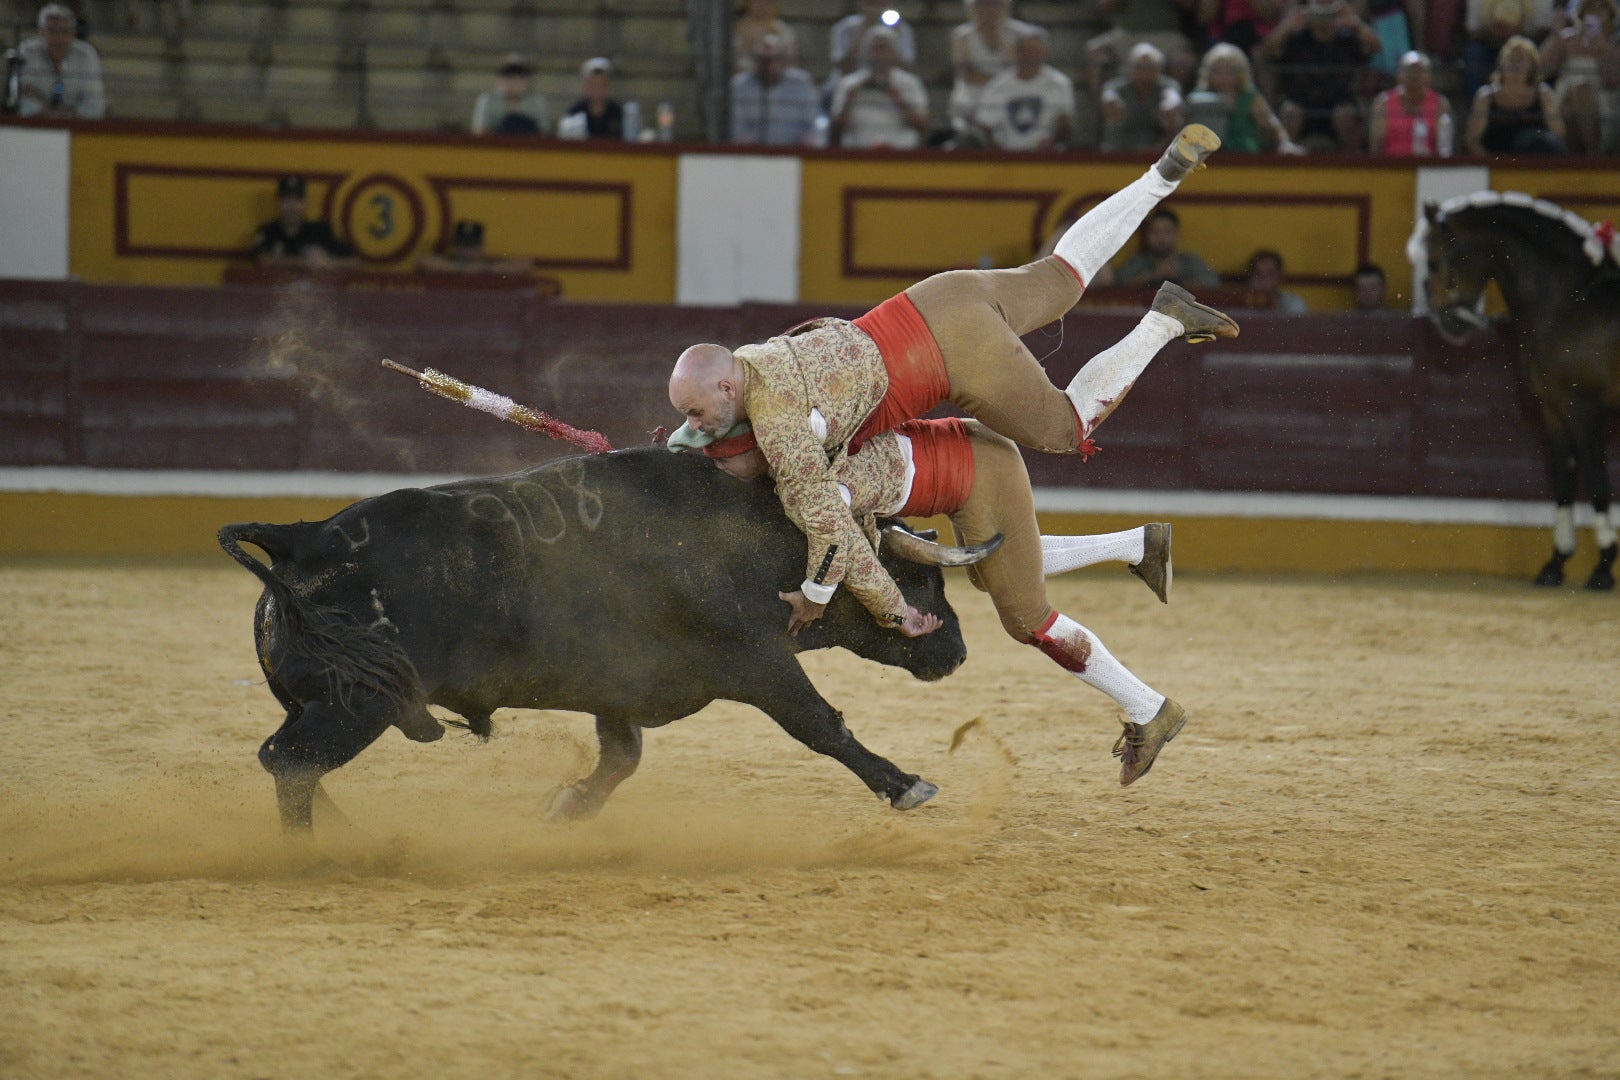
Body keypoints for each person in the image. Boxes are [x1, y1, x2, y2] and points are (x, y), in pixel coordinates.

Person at [666, 125, 1233, 643]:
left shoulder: (781, 432)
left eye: (695, 416)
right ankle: (1160, 176)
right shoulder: (748, 358)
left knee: (1068, 427)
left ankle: (1164, 320)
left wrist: (820, 599)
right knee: (1062, 275)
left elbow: (831, 534)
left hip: (948, 358)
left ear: (724, 393)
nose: (695, 427)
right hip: (935, 297)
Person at [672, 416, 1187, 787]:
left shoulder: (807, 463)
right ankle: (1137, 545)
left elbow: (843, 540)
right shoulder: (798, 420)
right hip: (945, 455)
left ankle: (1148, 704)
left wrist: (872, 608)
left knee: (1026, 615)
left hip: (961, 470)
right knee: (992, 575)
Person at [1261, 0, 1382, 153]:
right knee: (1291, 112)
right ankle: (1286, 166)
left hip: (1338, 103)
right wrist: (1287, 26)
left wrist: (1356, 23)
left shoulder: (1347, 38)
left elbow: (1377, 47)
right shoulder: (1297, 38)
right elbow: (1266, 52)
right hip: (1301, 103)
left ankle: (1354, 167)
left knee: (1345, 114)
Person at [1185, 41, 1303, 152]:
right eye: (1217, 71)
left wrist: (1284, 143)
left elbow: (1272, 124)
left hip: (1244, 158)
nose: (1223, 77)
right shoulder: (1198, 97)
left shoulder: (1249, 96)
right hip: (1208, 161)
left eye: (1229, 71)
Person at [973, 27, 1077, 150]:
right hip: (1005, 157)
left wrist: (1053, 140)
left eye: (1033, 51)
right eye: (1022, 51)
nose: (1027, 56)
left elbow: (1064, 122)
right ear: (1014, 52)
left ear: (1044, 53)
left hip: (1047, 157)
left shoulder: (1059, 84)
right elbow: (986, 126)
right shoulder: (996, 86)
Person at [1538, 0, 1620, 154]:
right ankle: (1583, 158)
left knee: (1582, 90)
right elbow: (1540, 69)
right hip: (1565, 96)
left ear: (1610, 14)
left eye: (1601, 7)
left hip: (1602, 102)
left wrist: (1602, 53)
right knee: (1571, 103)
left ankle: (1593, 153)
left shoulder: (1615, 45)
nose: (1596, 12)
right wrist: (1556, 35)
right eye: (1591, 8)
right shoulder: (1567, 39)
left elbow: (1612, 82)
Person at [949, 0, 1040, 137]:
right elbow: (967, 74)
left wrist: (1001, 36)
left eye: (995, 4)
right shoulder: (962, 35)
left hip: (1011, 91)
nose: (990, 9)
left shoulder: (1021, 33)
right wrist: (1000, 82)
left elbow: (1019, 68)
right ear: (974, 7)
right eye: (984, 4)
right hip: (973, 93)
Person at [829, 27, 930, 150]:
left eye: (884, 49)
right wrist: (850, 100)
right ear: (866, 53)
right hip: (859, 151)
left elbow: (922, 125)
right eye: (875, 49)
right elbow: (836, 129)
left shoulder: (910, 83)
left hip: (901, 152)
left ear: (895, 53)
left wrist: (896, 96)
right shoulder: (849, 83)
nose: (880, 55)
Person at [1465, 34, 1567, 152]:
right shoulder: (1485, 96)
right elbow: (1472, 141)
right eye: (1511, 58)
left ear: (1532, 67)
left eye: (1522, 59)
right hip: (1496, 165)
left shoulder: (1544, 94)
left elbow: (1558, 135)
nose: (1515, 65)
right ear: (1501, 63)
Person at [14, 3, 105, 120]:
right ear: (40, 32)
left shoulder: (86, 55)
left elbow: (94, 104)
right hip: (34, 126)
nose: (58, 39)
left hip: (77, 128)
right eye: (52, 32)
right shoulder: (26, 52)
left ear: (73, 33)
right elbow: (20, 100)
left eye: (65, 32)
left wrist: (46, 106)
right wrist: (56, 113)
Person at [731, 33, 822, 145]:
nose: (770, 65)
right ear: (755, 61)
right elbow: (737, 127)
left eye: (776, 59)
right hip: (751, 155)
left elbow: (813, 122)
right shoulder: (739, 85)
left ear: (784, 60)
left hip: (795, 152)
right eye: (764, 60)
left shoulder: (801, 84)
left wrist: (806, 143)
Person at [250, 174, 357, 270]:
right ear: (278, 202)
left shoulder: (320, 231)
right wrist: (304, 262)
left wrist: (329, 263)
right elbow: (262, 261)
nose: (291, 206)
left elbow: (354, 262)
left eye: (297, 200)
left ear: (305, 203)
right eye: (287, 199)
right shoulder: (268, 231)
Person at [1099, 42, 1186, 152]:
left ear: (1159, 69)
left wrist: (1171, 105)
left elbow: (1173, 96)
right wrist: (1111, 102)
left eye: (1150, 68)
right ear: (1129, 68)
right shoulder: (1116, 87)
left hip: (1159, 153)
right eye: (1139, 68)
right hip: (1120, 151)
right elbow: (1108, 96)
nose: (1144, 73)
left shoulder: (1168, 85)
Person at [1368, 50, 1455, 153]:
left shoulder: (1441, 103)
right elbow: (1376, 148)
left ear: (1429, 76)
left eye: (1420, 70)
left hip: (1428, 166)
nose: (1414, 75)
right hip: (1393, 166)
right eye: (1409, 70)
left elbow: (1445, 147)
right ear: (1398, 75)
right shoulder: (1383, 103)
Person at [1114, 207, 1222, 289]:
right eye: (1155, 232)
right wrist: (1152, 276)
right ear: (1147, 236)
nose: (1161, 238)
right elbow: (1119, 284)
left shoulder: (1189, 261)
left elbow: (1213, 282)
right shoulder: (1137, 262)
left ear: (1176, 235)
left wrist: (1178, 279)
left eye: (1167, 231)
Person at [829, 0, 918, 86]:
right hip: (849, 80)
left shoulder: (902, 29)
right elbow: (843, 68)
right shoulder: (845, 27)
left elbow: (907, 68)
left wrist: (890, 45)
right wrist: (865, 26)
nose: (877, 6)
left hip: (892, 82)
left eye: (881, 3)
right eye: (872, 2)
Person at [470, 53, 550, 135]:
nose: (513, 82)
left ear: (528, 81)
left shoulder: (537, 102)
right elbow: (478, 131)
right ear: (498, 80)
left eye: (519, 76)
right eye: (508, 76)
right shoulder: (488, 100)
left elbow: (543, 132)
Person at [416, 220, 532, 276]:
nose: (466, 250)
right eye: (461, 245)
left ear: (480, 247)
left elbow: (525, 263)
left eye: (471, 246)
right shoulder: (443, 263)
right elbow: (424, 261)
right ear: (454, 245)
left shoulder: (486, 265)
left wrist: (486, 269)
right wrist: (463, 269)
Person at [563, 57, 624, 140]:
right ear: (584, 86)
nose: (596, 90)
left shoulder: (619, 113)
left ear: (608, 86)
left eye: (601, 85)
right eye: (592, 85)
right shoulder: (575, 112)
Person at [734, 0, 799, 73]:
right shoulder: (735, 29)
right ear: (746, 3)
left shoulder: (782, 30)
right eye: (757, 1)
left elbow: (791, 63)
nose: (762, 5)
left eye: (767, 2)